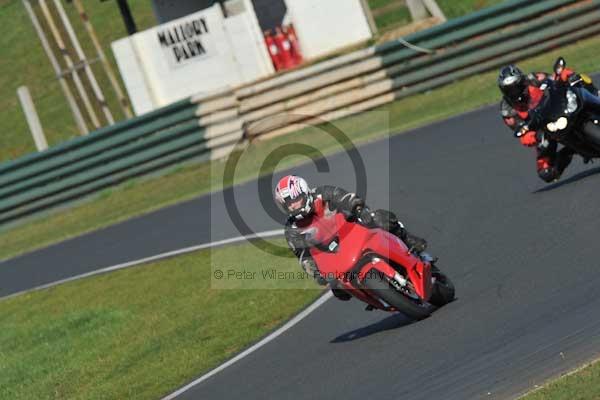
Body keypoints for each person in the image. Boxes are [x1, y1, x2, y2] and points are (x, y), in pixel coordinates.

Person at [274, 175, 427, 301]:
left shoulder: (322, 194)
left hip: (354, 230)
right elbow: (303, 256)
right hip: (335, 255)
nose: (294, 206)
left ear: (304, 192)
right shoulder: (292, 229)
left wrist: (359, 209)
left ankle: (407, 239)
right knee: (338, 290)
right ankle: (372, 294)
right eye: (289, 204)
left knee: (379, 218)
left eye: (296, 200)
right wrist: (317, 273)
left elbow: (347, 198)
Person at [498, 62, 598, 182]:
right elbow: (519, 129)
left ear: (523, 81)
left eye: (517, 86)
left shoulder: (534, 78)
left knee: (579, 80)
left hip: (558, 107)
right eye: (510, 90)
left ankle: (597, 95)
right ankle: (570, 151)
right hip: (543, 127)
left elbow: (554, 81)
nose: (515, 92)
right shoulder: (507, 110)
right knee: (546, 173)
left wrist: (565, 75)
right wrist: (528, 136)